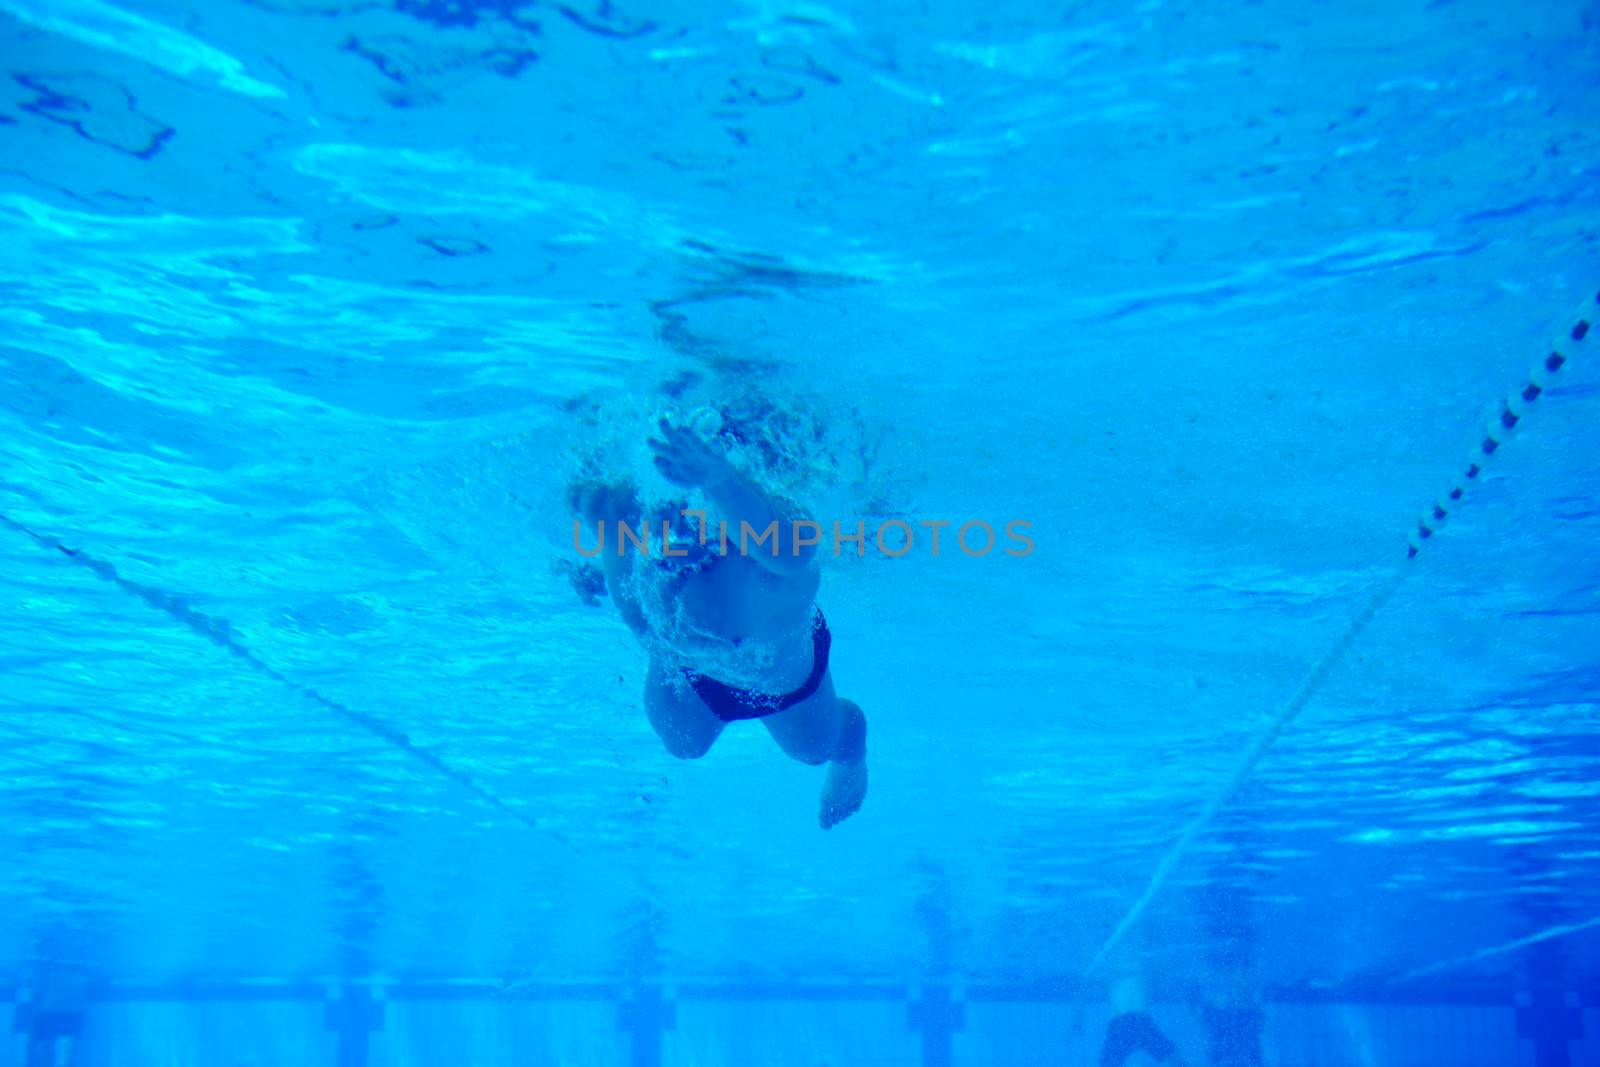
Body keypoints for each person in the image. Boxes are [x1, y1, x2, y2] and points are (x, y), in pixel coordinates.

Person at [570, 418, 868, 828]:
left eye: (693, 515)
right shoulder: (653, 560)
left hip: (783, 684)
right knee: (682, 743)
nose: (677, 532)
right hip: (687, 671)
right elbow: (608, 510)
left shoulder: (770, 565)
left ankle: (853, 759)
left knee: (818, 748)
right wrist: (596, 547)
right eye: (667, 521)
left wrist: (719, 477)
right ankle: (665, 640)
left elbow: (786, 540)